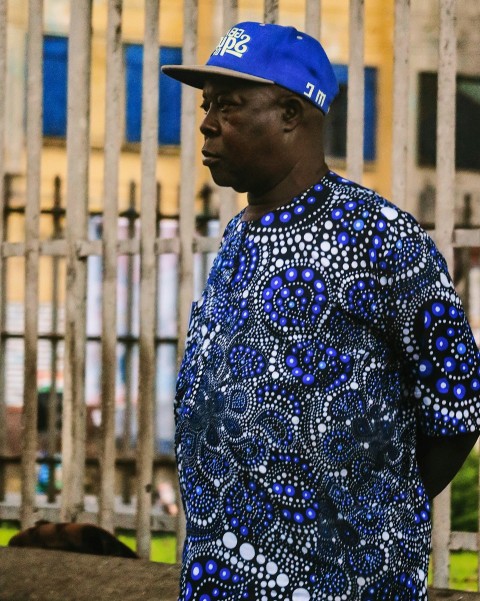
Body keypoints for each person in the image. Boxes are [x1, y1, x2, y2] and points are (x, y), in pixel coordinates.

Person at [162, 21, 480, 601]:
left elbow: (454, 406)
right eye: (206, 105)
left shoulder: (380, 237)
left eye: (228, 106)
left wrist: (369, 515)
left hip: (346, 583)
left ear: (290, 113)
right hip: (222, 578)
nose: (206, 123)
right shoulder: (238, 237)